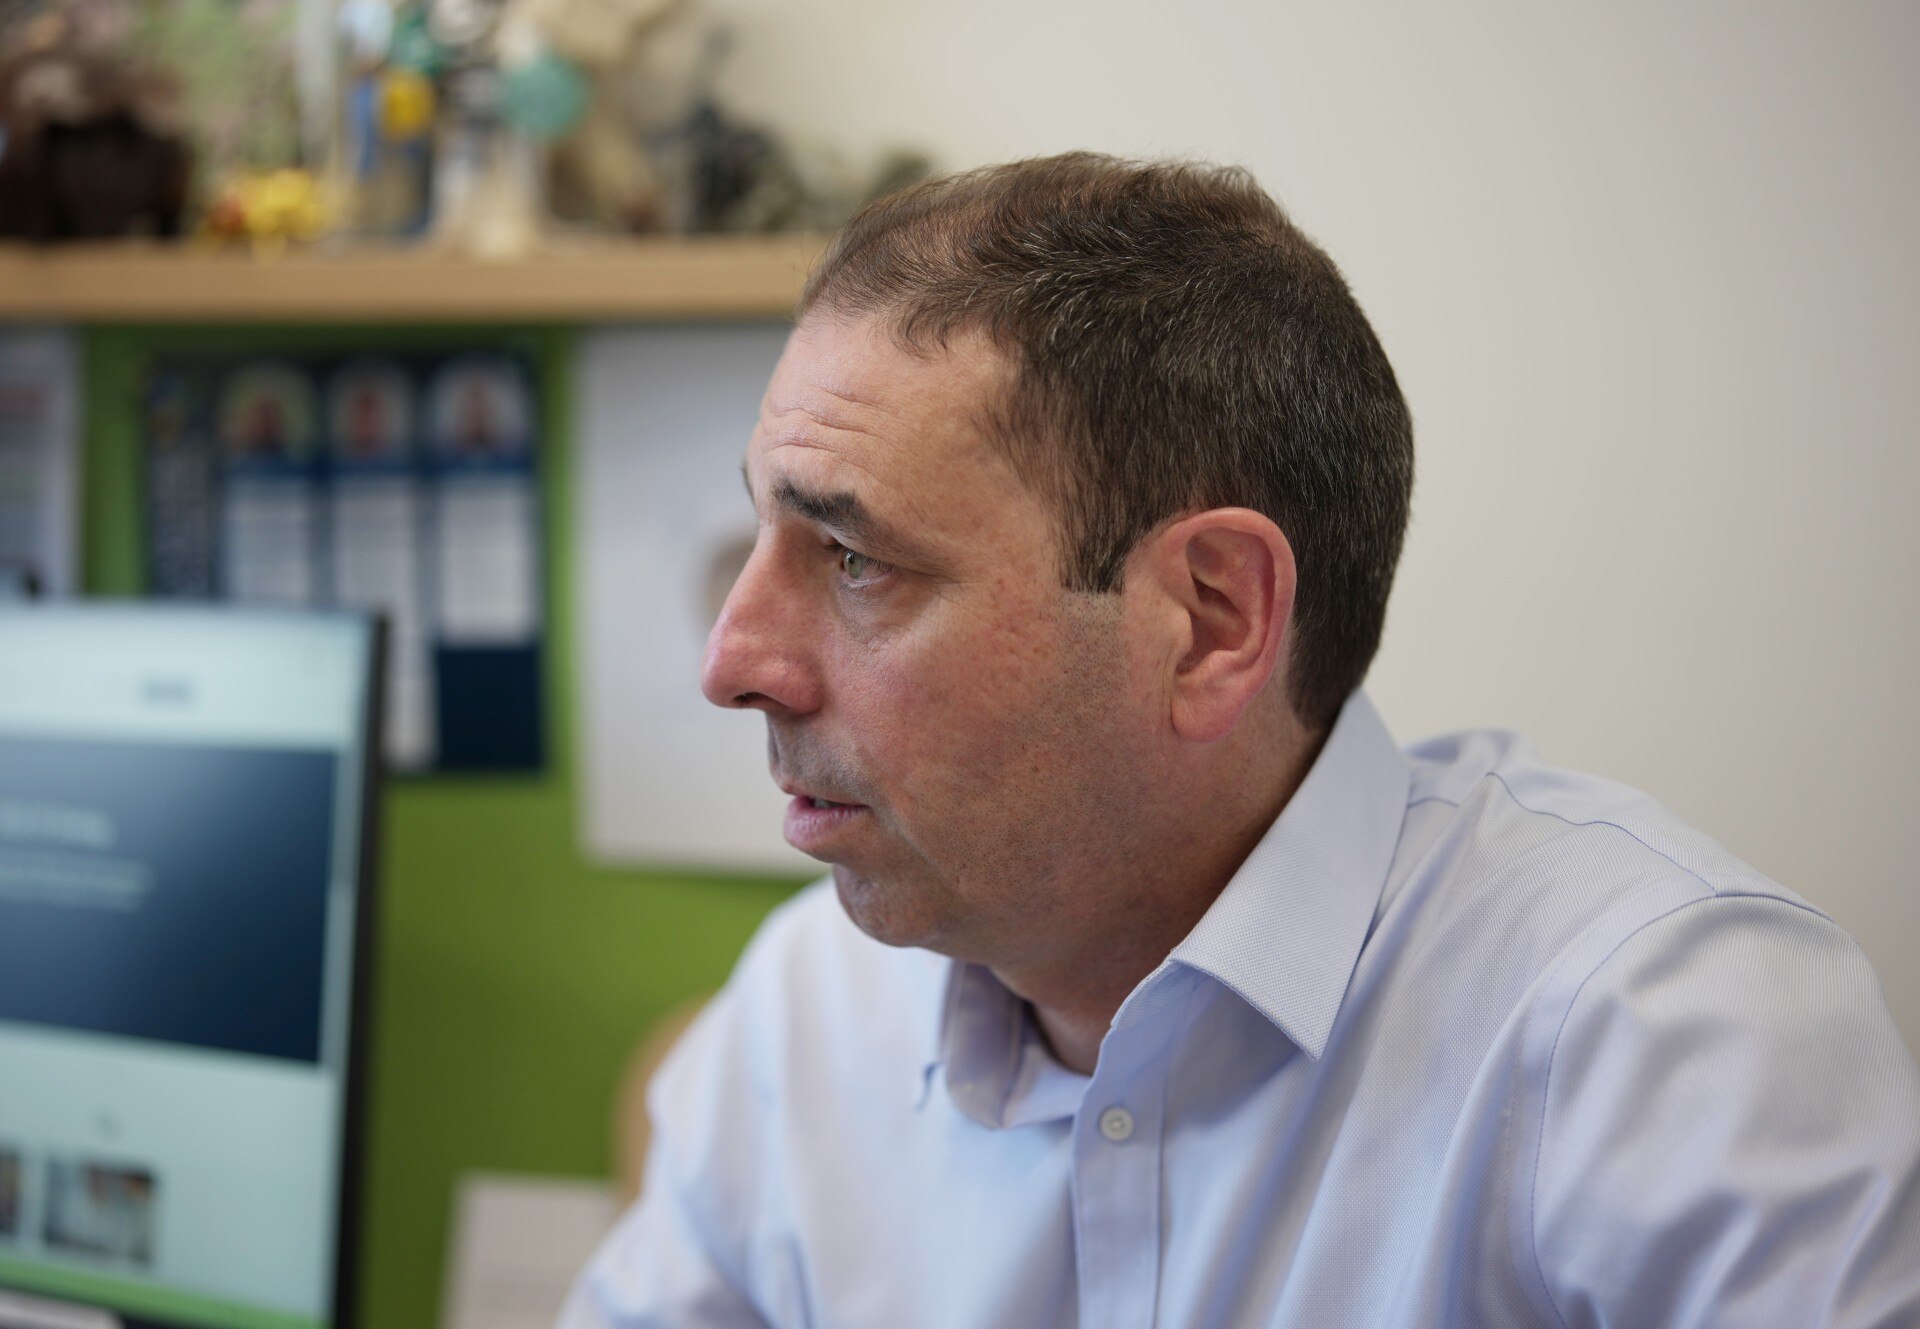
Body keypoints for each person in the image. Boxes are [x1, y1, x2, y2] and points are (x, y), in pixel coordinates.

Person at [562, 153, 1920, 1328]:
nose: (734, 662)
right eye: (765, 536)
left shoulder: (1658, 1037)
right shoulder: (808, 1014)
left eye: (855, 557)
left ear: (1211, 619)